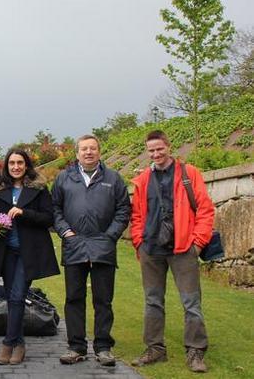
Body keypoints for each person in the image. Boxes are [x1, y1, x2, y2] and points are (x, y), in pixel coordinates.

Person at [129, 130, 214, 373]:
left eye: (159, 148)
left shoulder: (189, 173)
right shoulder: (144, 179)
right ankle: (155, 349)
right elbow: (137, 215)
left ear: (168, 146)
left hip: (184, 247)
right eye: (151, 150)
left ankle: (196, 351)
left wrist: (197, 243)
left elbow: (205, 210)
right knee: (152, 301)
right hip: (152, 250)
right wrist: (138, 241)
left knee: (191, 302)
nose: (156, 154)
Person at [52, 135, 131, 367]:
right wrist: (65, 231)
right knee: (74, 298)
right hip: (74, 245)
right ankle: (76, 347)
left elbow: (123, 210)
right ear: (76, 153)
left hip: (103, 247)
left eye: (93, 148)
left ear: (99, 152)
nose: (88, 152)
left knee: (103, 300)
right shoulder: (64, 178)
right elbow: (55, 208)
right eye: (84, 149)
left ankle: (103, 347)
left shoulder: (113, 179)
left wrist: (110, 236)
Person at [0, 149, 60, 365]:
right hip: (6, 252)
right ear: (6, 167)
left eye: (20, 163)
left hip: (29, 253)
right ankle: (20, 344)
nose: (16, 167)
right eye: (12, 163)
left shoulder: (38, 189)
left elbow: (48, 218)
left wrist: (24, 213)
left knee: (17, 296)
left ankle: (8, 343)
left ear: (26, 165)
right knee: (11, 299)